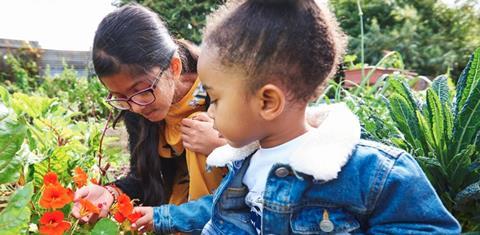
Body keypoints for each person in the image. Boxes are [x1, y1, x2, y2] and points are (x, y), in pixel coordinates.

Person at [131, 0, 461, 234]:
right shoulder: (243, 167)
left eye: (215, 99)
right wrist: (162, 218)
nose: (210, 112)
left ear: (268, 102)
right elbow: (215, 212)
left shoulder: (372, 174)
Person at [72, 4, 227, 222]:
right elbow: (142, 177)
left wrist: (225, 147)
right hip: (177, 212)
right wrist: (110, 193)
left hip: (232, 211)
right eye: (120, 96)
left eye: (141, 90)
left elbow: (275, 151)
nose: (135, 107)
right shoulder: (136, 105)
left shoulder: (223, 84)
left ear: (173, 67)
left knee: (198, 127)